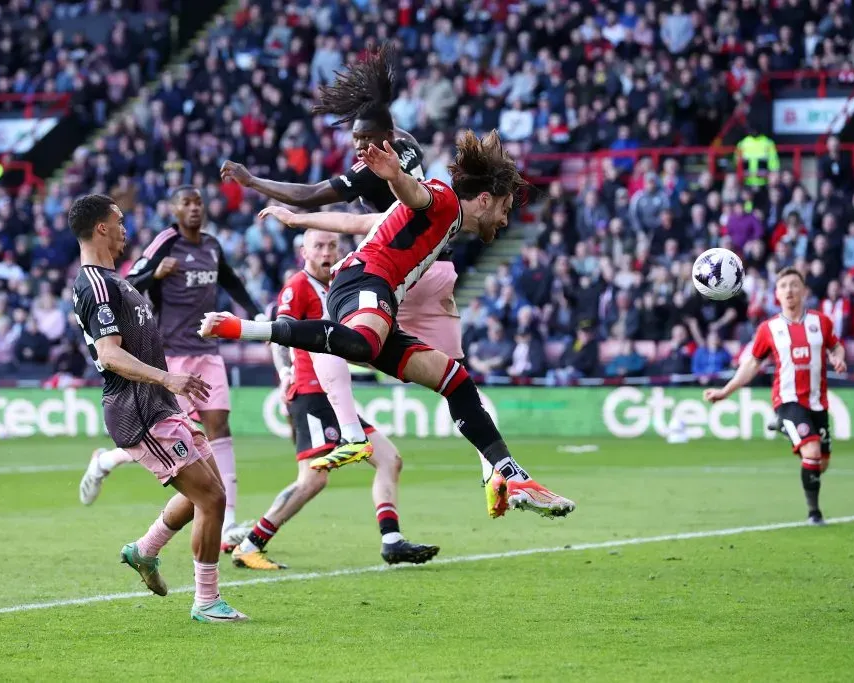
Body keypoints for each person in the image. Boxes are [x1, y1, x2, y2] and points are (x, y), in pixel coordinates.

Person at [203, 130, 576, 520]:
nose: (504, 219)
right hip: (362, 280)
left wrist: (300, 219)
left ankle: (511, 474)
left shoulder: (447, 219)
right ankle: (244, 328)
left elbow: (370, 218)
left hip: (378, 297)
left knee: (456, 380)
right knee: (363, 343)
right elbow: (417, 194)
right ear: (484, 199)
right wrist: (396, 176)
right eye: (503, 207)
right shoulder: (444, 199)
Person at [220, 44, 463, 470]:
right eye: (354, 139)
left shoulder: (374, 165)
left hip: (398, 266)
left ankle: (350, 433)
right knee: (455, 375)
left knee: (329, 335)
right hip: (436, 266)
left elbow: (314, 194)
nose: (358, 147)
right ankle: (494, 464)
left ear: (382, 134)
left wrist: (252, 180)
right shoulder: (406, 144)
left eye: (364, 139)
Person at [68, 194, 246, 623]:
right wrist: (168, 378)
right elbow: (109, 354)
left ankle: (144, 550)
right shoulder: (95, 284)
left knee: (211, 491)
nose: (127, 229)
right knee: (212, 499)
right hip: (139, 409)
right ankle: (206, 601)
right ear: (102, 229)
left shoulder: (120, 280)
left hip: (160, 404)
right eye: (120, 221)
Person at [232, 229, 438, 570]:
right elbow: (279, 334)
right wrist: (285, 375)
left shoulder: (340, 284)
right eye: (319, 246)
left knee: (389, 458)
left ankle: (391, 541)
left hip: (334, 395)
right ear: (304, 252)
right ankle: (250, 543)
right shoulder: (297, 286)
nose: (327, 252)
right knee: (312, 479)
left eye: (332, 245)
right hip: (311, 392)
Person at [704, 267, 846, 526]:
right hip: (787, 400)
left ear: (804, 291)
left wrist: (838, 357)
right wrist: (726, 391)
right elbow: (750, 365)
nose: (789, 290)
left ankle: (783, 426)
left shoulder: (821, 322)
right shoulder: (769, 329)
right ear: (776, 295)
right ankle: (814, 513)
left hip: (817, 403)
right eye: (783, 286)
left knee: (821, 464)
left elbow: (835, 345)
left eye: (794, 285)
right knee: (811, 451)